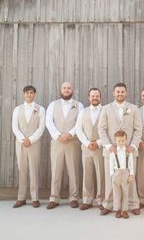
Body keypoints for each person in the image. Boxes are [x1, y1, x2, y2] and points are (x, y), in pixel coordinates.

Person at [98, 82, 142, 216]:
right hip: (111, 151)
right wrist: (108, 146)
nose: (120, 94)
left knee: (130, 179)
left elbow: (138, 129)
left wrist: (133, 146)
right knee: (111, 179)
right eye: (118, 92)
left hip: (129, 151)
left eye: (122, 92)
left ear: (126, 93)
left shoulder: (133, 108)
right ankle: (109, 204)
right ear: (113, 93)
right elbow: (101, 129)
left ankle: (133, 204)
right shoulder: (106, 109)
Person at [46, 81, 83, 209]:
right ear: (60, 90)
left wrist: (70, 134)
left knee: (74, 170)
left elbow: (80, 123)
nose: (66, 90)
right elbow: (49, 122)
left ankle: (74, 197)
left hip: (73, 142)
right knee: (56, 170)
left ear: (72, 90)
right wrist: (58, 135)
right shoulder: (52, 105)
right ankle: (54, 198)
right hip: (57, 142)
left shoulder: (79, 105)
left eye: (68, 88)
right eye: (64, 88)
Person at [12, 85, 45, 208]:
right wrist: (22, 139)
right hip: (20, 144)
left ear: (34, 94)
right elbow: (15, 126)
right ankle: (21, 198)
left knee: (34, 169)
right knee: (22, 170)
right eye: (27, 93)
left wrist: (30, 140)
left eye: (31, 92)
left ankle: (35, 198)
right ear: (23, 94)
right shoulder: (17, 109)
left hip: (34, 143)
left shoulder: (40, 109)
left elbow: (41, 128)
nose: (29, 94)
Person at [76, 88, 104, 210]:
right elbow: (79, 129)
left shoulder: (105, 111)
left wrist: (98, 143)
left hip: (100, 148)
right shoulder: (83, 112)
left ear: (100, 97)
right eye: (92, 96)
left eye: (97, 96)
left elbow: (108, 130)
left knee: (101, 174)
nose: (95, 98)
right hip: (86, 148)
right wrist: (87, 143)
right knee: (87, 174)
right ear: (89, 97)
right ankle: (87, 200)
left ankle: (102, 200)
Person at [110, 130, 135, 219]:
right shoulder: (113, 152)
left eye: (123, 141)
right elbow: (111, 164)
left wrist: (131, 174)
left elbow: (131, 164)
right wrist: (112, 174)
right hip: (116, 173)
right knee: (116, 193)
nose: (121, 143)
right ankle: (117, 210)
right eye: (119, 141)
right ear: (115, 140)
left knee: (125, 192)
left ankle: (124, 210)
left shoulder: (128, 152)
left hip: (126, 173)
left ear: (126, 140)